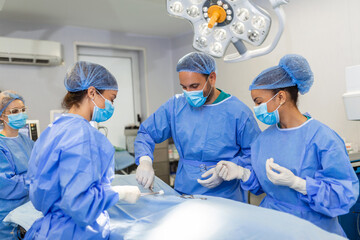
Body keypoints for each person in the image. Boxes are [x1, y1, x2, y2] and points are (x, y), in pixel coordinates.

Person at [215, 54, 359, 236]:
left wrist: (300, 184)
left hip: (313, 229)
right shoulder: (263, 140)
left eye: (258, 102)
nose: (256, 108)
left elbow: (343, 196)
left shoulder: (323, 138)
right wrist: (242, 173)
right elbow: (263, 184)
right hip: (273, 226)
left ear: (281, 97)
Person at [25, 62, 141, 240]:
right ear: (92, 92)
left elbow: (38, 192)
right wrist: (119, 193)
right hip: (76, 233)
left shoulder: (52, 130)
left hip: (50, 231)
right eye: (112, 98)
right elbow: (80, 205)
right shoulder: (82, 135)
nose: (111, 104)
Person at [135, 52, 261, 202]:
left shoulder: (238, 112)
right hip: (185, 190)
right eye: (184, 87)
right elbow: (146, 133)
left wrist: (229, 168)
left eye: (194, 86)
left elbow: (255, 153)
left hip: (226, 196)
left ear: (212, 78)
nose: (189, 93)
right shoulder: (175, 106)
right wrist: (145, 161)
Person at [0, 91, 33, 239]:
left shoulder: (27, 142)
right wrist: (36, 180)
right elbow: (6, 186)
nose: (20, 114)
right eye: (14, 112)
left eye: (23, 110)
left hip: (29, 213)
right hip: (8, 219)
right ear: (2, 116)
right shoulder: (1, 146)